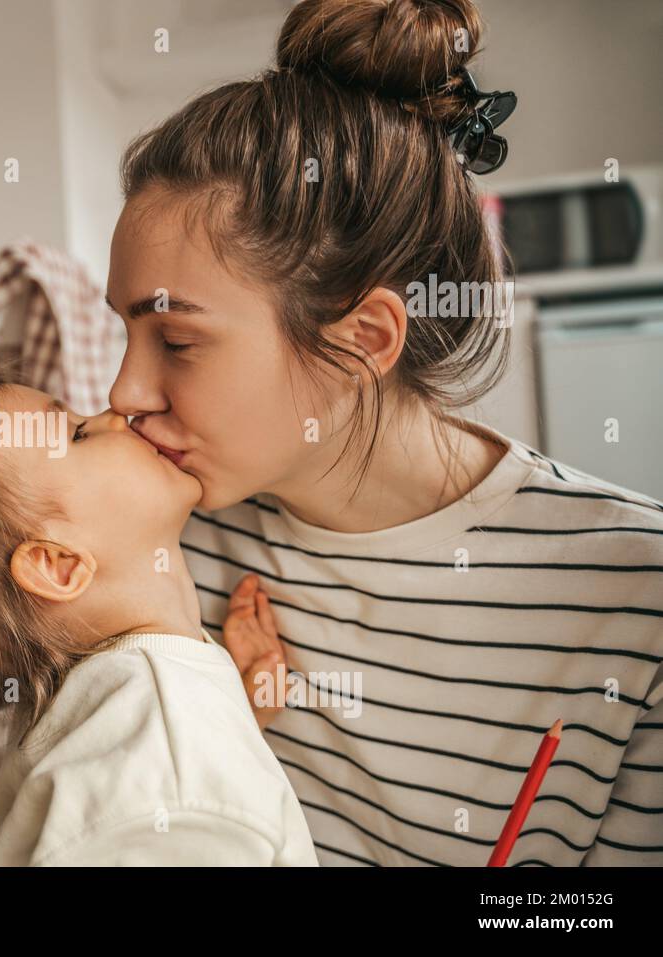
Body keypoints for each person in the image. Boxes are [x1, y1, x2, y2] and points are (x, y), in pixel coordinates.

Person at [104, 0, 662, 864]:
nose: (124, 390)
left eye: (175, 340)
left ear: (362, 340)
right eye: (126, 335)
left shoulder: (637, 598)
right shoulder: (159, 541)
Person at [0, 368, 318, 866]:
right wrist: (198, 755)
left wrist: (232, 723)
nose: (115, 414)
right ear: (57, 564)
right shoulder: (172, 789)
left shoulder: (119, 721)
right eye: (78, 433)